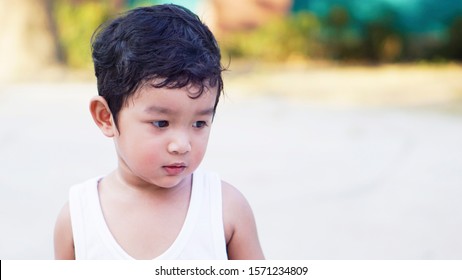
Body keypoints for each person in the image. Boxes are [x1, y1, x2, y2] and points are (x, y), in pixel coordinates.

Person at [53, 4, 264, 260]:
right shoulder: (79, 219)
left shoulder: (225, 209)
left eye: (199, 123)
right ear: (106, 117)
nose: (181, 145)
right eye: (161, 123)